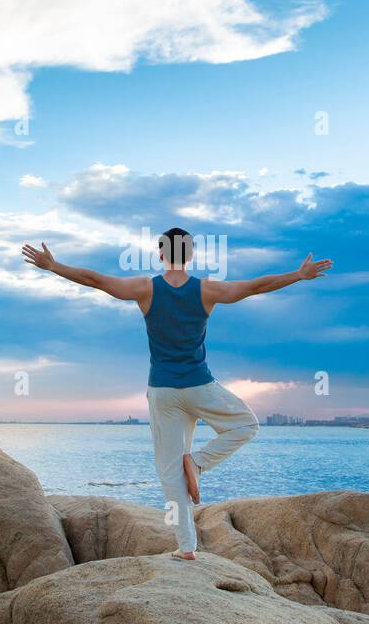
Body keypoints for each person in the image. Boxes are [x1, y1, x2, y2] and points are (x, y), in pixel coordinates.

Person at [21, 228, 332, 559]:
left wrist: (54, 266)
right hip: (200, 386)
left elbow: (95, 279)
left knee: (170, 471)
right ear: (191, 255)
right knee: (246, 424)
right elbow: (254, 287)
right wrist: (299, 275)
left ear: (160, 255)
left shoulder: (144, 288)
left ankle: (187, 547)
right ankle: (196, 464)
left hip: (164, 391)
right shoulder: (207, 290)